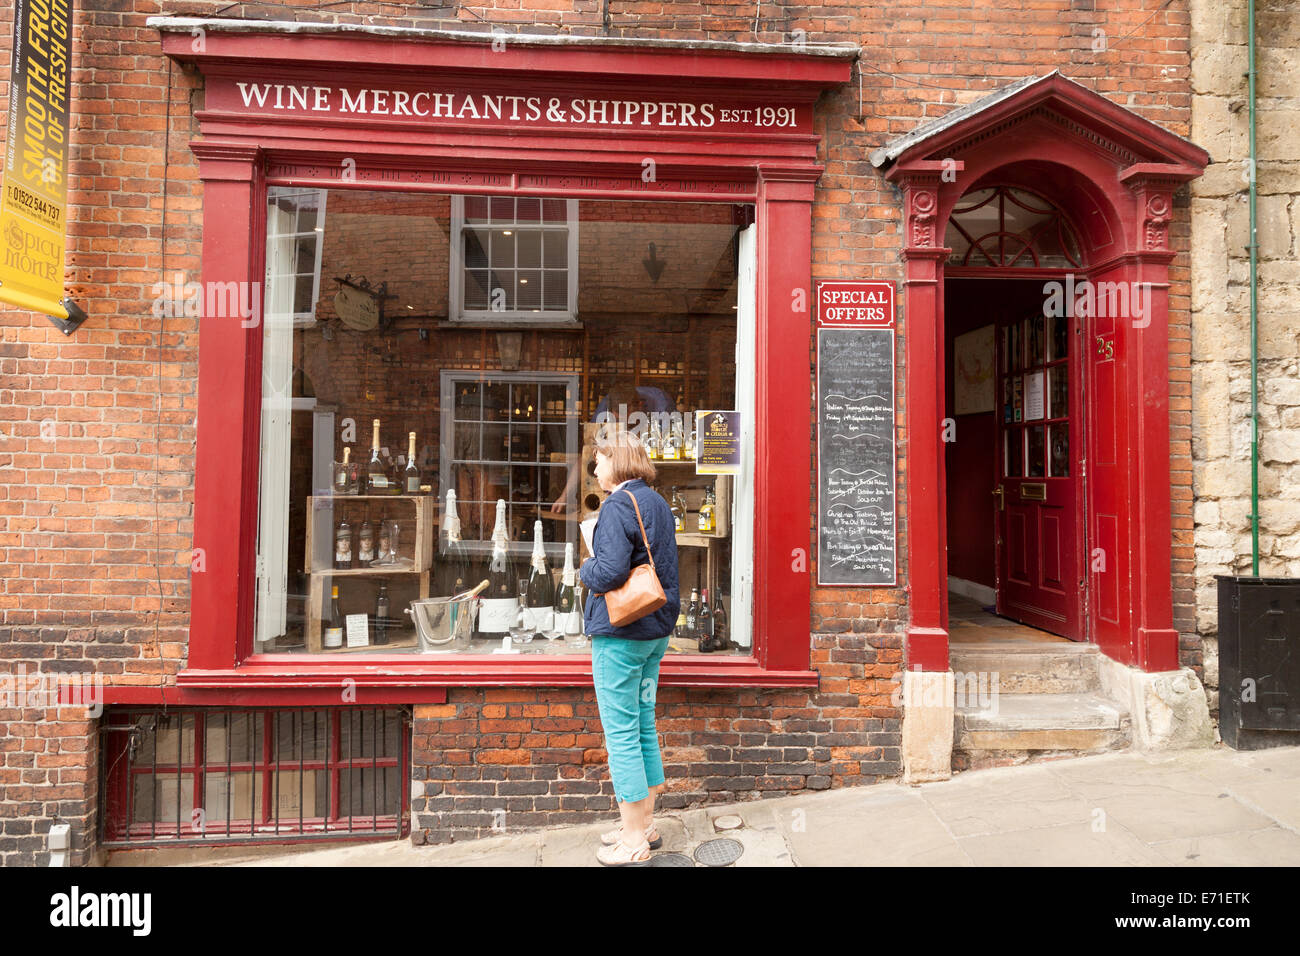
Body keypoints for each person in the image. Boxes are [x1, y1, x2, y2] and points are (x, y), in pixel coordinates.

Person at [579, 425, 680, 866]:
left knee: (620, 733)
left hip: (620, 638)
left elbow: (610, 574)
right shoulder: (656, 502)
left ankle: (634, 839)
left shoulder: (617, 505)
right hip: (655, 632)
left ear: (615, 461)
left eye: (598, 459)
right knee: (641, 725)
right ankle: (645, 822)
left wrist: (585, 569)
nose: (595, 466)